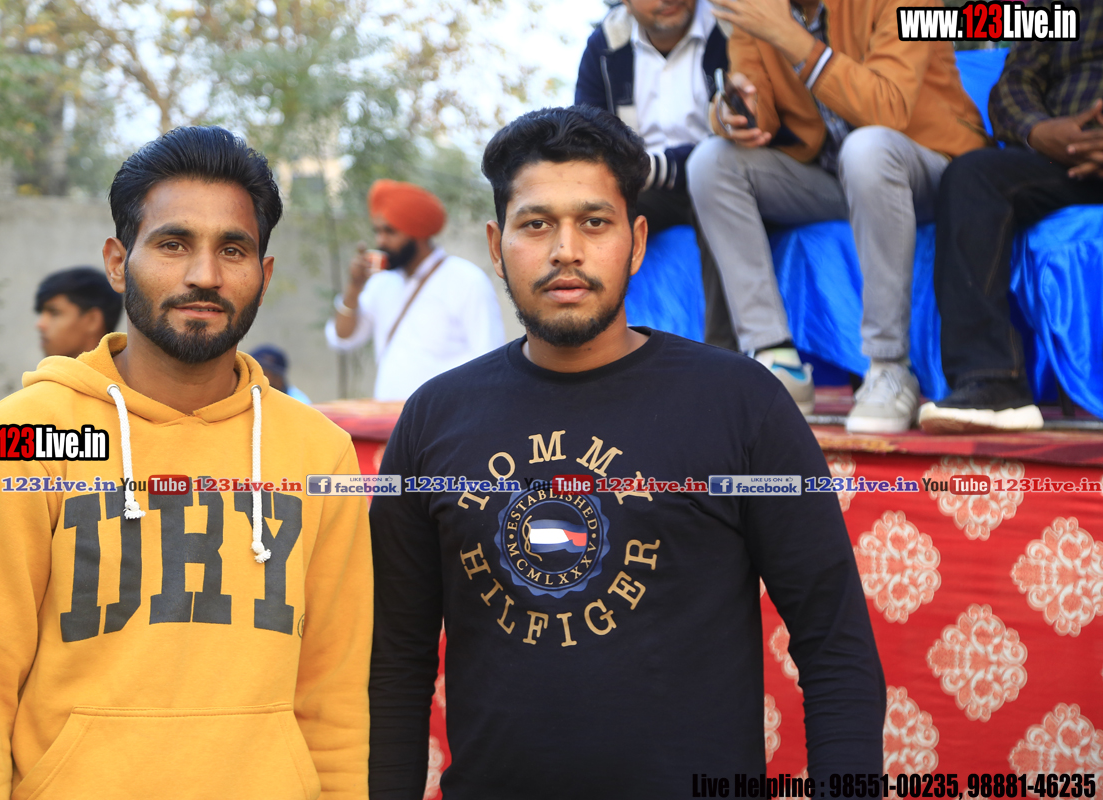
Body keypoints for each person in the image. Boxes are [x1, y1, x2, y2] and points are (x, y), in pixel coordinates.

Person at [368, 106, 885, 798]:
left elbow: (834, 643)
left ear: (636, 242)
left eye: (594, 222)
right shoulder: (434, 419)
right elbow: (395, 664)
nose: (566, 251)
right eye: (536, 224)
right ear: (496, 245)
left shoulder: (741, 403)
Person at [0, 126, 373, 799]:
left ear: (263, 275)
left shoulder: (320, 453)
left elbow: (333, 698)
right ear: (118, 262)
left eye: (233, 249)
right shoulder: (18, 437)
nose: (205, 275)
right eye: (173, 244)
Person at [689, 0, 989, 432]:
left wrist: (789, 37)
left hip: (932, 165)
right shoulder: (760, 8)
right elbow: (760, 110)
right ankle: (776, 360)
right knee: (711, 162)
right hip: (835, 176)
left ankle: (889, 367)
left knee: (867, 149)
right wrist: (732, 111)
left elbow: (887, 108)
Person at [919, 0, 1103, 434]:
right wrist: (1038, 131)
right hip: (1064, 155)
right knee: (970, 176)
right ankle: (991, 380)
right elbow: (1013, 85)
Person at [574, 0, 736, 349]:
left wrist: (646, 166)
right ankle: (584, 345)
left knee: (717, 188)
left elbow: (750, 131)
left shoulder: (730, 25)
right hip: (641, 187)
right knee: (586, 217)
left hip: (723, 178)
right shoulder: (606, 42)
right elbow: (589, 141)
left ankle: (725, 355)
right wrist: (637, 170)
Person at [324, 180, 506, 401]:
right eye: (377, 231)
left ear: (417, 232)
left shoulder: (466, 280)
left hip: (444, 417)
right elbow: (343, 338)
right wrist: (354, 287)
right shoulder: (381, 282)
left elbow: (489, 361)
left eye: (389, 231)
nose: (380, 241)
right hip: (388, 418)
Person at [34, 265, 123, 357]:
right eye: (41, 313)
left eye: (54, 313)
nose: (40, 324)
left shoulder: (126, 366)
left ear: (93, 320)